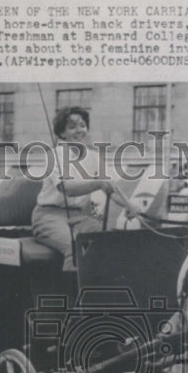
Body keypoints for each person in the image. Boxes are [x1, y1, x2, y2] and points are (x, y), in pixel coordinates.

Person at [31, 106, 139, 272]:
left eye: (82, 125)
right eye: (72, 127)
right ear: (62, 133)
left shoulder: (93, 156)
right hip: (49, 217)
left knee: (108, 242)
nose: (79, 130)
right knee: (74, 249)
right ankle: (72, 296)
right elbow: (67, 188)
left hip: (80, 216)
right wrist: (97, 184)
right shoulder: (54, 156)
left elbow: (111, 186)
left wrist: (128, 205)